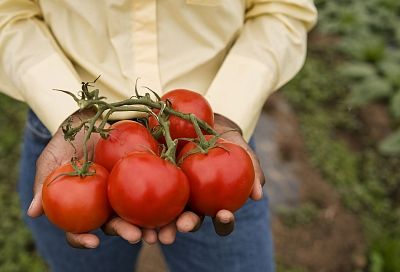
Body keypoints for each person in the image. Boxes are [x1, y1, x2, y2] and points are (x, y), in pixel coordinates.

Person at [0, 1, 317, 271]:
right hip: (77, 144)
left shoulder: (210, 141)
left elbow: (282, 8)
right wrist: (69, 112)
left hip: (211, 135)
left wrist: (227, 113)